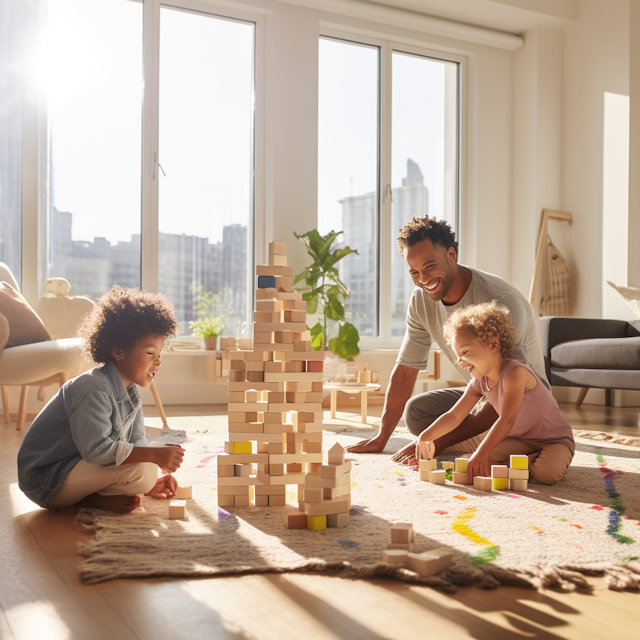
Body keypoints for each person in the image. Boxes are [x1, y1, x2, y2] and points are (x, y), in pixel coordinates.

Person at [346, 216, 549, 458]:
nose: (423, 279)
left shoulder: (502, 302)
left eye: (430, 266)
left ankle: (512, 440)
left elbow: (508, 390)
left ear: (451, 255)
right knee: (416, 413)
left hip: (524, 402)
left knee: (493, 421)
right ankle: (483, 438)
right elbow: (406, 371)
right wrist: (382, 437)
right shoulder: (421, 303)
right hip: (485, 392)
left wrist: (439, 443)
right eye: (414, 272)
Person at [18, 285, 184, 514]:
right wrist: (154, 456)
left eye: (159, 354)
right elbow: (96, 450)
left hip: (74, 470)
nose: (158, 362)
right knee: (145, 469)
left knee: (147, 475)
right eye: (149, 353)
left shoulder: (131, 394)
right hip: (45, 479)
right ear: (118, 351)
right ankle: (84, 500)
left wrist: (156, 472)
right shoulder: (93, 388)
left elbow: (136, 444)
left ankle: (92, 498)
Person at [411, 302, 574, 484]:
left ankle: (527, 461)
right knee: (477, 459)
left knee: (545, 474)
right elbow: (454, 416)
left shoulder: (515, 373)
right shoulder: (479, 382)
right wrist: (425, 436)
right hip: (519, 439)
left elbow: (507, 420)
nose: (460, 361)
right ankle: (520, 460)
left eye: (465, 352)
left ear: (494, 345)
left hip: (554, 440)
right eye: (457, 355)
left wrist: (481, 453)